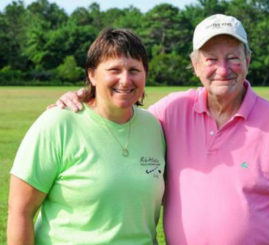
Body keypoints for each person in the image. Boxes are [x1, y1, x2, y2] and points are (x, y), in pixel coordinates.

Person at [52, 14, 269, 244]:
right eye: (211, 59)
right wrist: (83, 96)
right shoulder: (172, 110)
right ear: (195, 65)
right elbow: (121, 116)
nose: (223, 69)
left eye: (233, 58)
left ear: (248, 60)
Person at [7, 28, 165, 245]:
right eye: (114, 69)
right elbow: (20, 211)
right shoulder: (58, 123)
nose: (125, 80)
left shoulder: (154, 126)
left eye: (134, 70)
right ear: (92, 74)